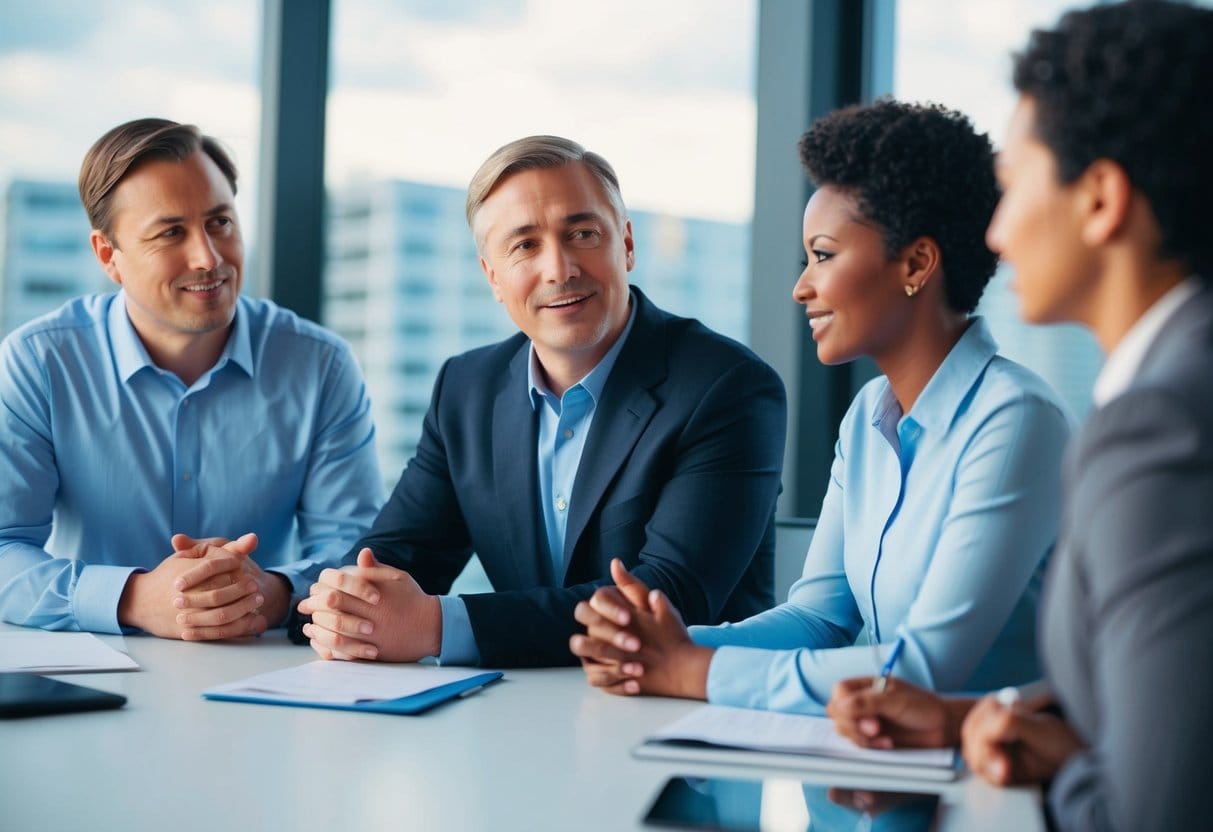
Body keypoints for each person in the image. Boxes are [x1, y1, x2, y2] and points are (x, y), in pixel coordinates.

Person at [826, 3, 1213, 829]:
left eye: (1014, 186)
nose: (995, 234)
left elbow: (1152, 814)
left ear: (1100, 200)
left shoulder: (1161, 429)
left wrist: (1029, 767)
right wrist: (976, 722)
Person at [569, 100, 1072, 712]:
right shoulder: (867, 416)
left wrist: (691, 670)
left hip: (984, 785)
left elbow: (923, 668)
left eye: (824, 255)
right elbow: (818, 619)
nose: (801, 286)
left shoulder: (1015, 419)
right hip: (867, 767)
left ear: (916, 263)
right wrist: (662, 646)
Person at [295, 135, 786, 668]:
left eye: (582, 233)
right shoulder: (467, 389)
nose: (560, 268)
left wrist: (438, 626)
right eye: (525, 245)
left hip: (681, 709)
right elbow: (396, 556)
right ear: (493, 278)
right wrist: (328, 605)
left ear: (626, 244)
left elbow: (667, 599)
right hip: (523, 717)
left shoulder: (726, 386)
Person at [0, 118, 383, 640]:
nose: (209, 257)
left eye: (220, 222)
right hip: (94, 670)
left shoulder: (321, 366)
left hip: (260, 669)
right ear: (109, 256)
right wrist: (134, 598)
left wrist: (267, 593)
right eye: (171, 232)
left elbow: (352, 549)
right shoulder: (39, 362)